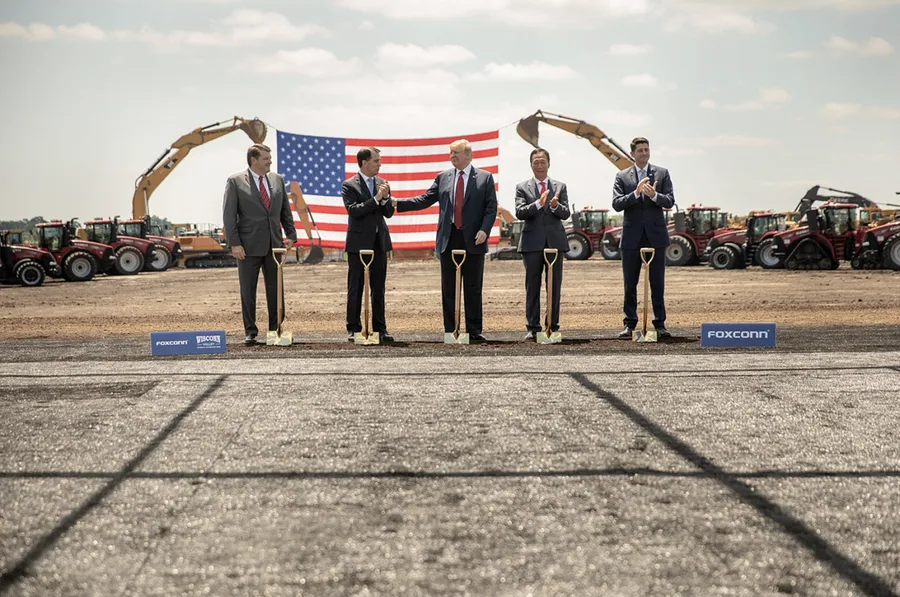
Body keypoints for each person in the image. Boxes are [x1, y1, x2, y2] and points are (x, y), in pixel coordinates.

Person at [394, 139, 497, 342]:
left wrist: (485, 230)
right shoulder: (443, 178)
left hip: (474, 240)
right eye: (450, 153)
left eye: (456, 153)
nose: (452, 156)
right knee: (448, 288)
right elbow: (424, 199)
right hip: (448, 239)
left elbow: (491, 208)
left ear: (468, 155)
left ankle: (474, 331)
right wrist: (397, 203)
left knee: (473, 287)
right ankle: (451, 331)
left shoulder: (485, 178)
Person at [223, 143, 297, 345]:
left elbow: (285, 211)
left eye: (269, 158)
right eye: (266, 158)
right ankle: (250, 331)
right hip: (246, 246)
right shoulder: (235, 181)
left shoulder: (278, 180)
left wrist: (291, 233)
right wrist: (234, 243)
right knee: (248, 289)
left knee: (276, 288)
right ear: (254, 160)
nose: (270, 161)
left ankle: (276, 329)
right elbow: (229, 216)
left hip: (275, 244)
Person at [611, 136, 675, 339]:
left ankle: (660, 325)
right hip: (631, 237)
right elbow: (617, 204)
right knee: (630, 283)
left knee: (657, 283)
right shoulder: (622, 176)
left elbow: (670, 201)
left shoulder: (662, 173)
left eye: (647, 150)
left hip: (656, 236)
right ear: (632, 154)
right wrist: (636, 194)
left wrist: (655, 196)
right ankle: (630, 325)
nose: (644, 153)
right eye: (640, 150)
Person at [514, 148, 570, 340]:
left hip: (555, 242)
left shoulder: (560, 186)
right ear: (531, 165)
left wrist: (555, 206)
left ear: (549, 163)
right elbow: (520, 212)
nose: (539, 165)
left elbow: (565, 214)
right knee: (533, 286)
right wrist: (538, 203)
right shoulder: (522, 187)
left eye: (542, 161)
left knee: (554, 287)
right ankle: (533, 327)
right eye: (536, 162)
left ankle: (552, 326)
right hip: (532, 244)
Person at [342, 147, 395, 342]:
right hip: (358, 244)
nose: (379, 164)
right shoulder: (349, 185)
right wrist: (376, 199)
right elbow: (354, 211)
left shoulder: (383, 183)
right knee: (355, 286)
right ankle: (353, 327)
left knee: (378, 287)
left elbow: (388, 213)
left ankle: (380, 328)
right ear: (364, 162)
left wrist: (386, 198)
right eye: (376, 161)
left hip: (379, 242)